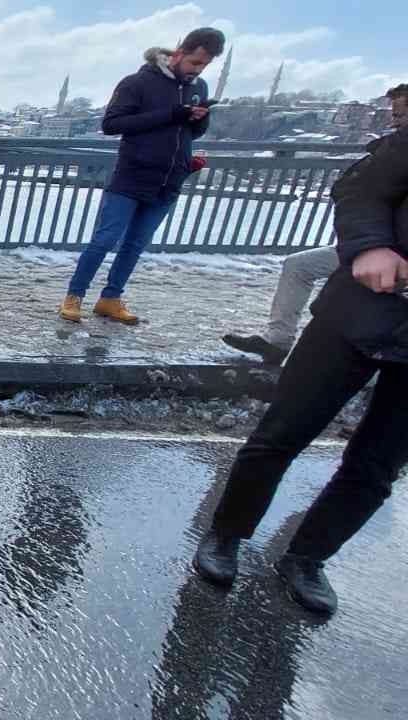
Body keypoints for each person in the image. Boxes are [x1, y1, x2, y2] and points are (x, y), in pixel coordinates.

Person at [192, 119, 408, 615]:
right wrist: (372, 245)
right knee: (281, 433)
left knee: (378, 465)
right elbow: (360, 187)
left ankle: (308, 558)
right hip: (362, 310)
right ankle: (227, 534)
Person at [223, 83, 408, 364]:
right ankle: (278, 342)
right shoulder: (391, 151)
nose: (394, 122)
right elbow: (355, 192)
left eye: (400, 115)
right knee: (299, 265)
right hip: (375, 248)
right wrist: (369, 244)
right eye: (394, 115)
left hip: (394, 256)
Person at [59, 28, 226, 324]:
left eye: (204, 66)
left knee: (135, 245)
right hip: (131, 177)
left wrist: (199, 118)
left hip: (169, 180)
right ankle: (75, 295)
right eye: (194, 63)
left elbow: (193, 132)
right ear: (178, 54)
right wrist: (172, 114)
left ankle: (110, 298)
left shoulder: (198, 86)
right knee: (105, 239)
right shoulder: (138, 83)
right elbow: (112, 124)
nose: (197, 71)